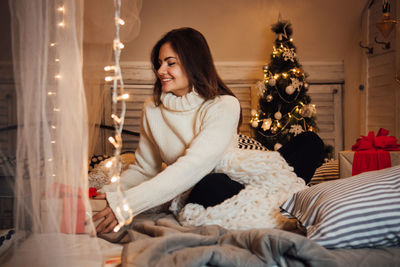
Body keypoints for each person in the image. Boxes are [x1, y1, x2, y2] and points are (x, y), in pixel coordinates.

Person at [93, 27, 324, 233]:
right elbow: (145, 169)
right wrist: (109, 193)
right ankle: (273, 197)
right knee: (211, 185)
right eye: (159, 63)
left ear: (193, 63)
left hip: (234, 174)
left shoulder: (224, 105)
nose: (161, 70)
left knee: (310, 142)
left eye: (170, 63)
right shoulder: (152, 109)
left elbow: (197, 162)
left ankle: (278, 194)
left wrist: (127, 204)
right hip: (200, 188)